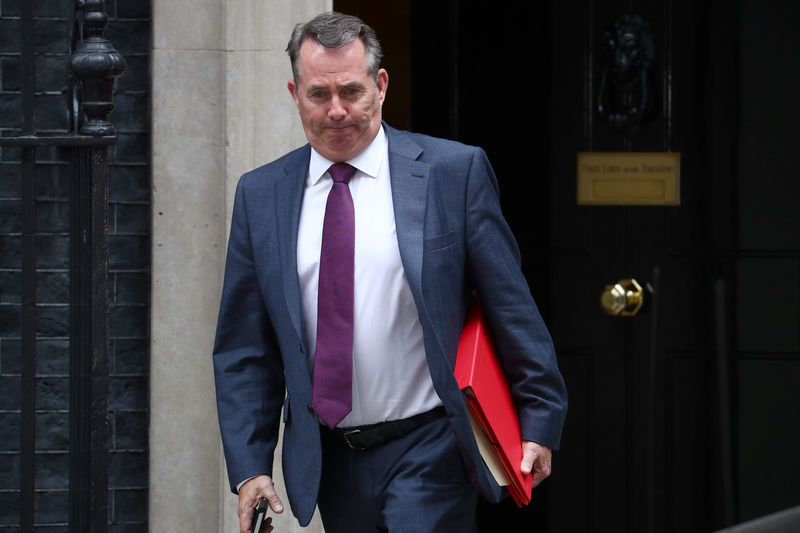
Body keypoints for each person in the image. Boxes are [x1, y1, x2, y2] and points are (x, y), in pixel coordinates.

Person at [213, 11, 567, 533]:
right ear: (295, 93)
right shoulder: (261, 194)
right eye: (318, 95)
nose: (336, 111)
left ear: (380, 85)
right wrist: (249, 469)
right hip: (331, 459)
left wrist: (538, 418)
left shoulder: (453, 173)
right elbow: (245, 346)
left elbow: (509, 303)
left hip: (430, 445)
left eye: (351, 92)